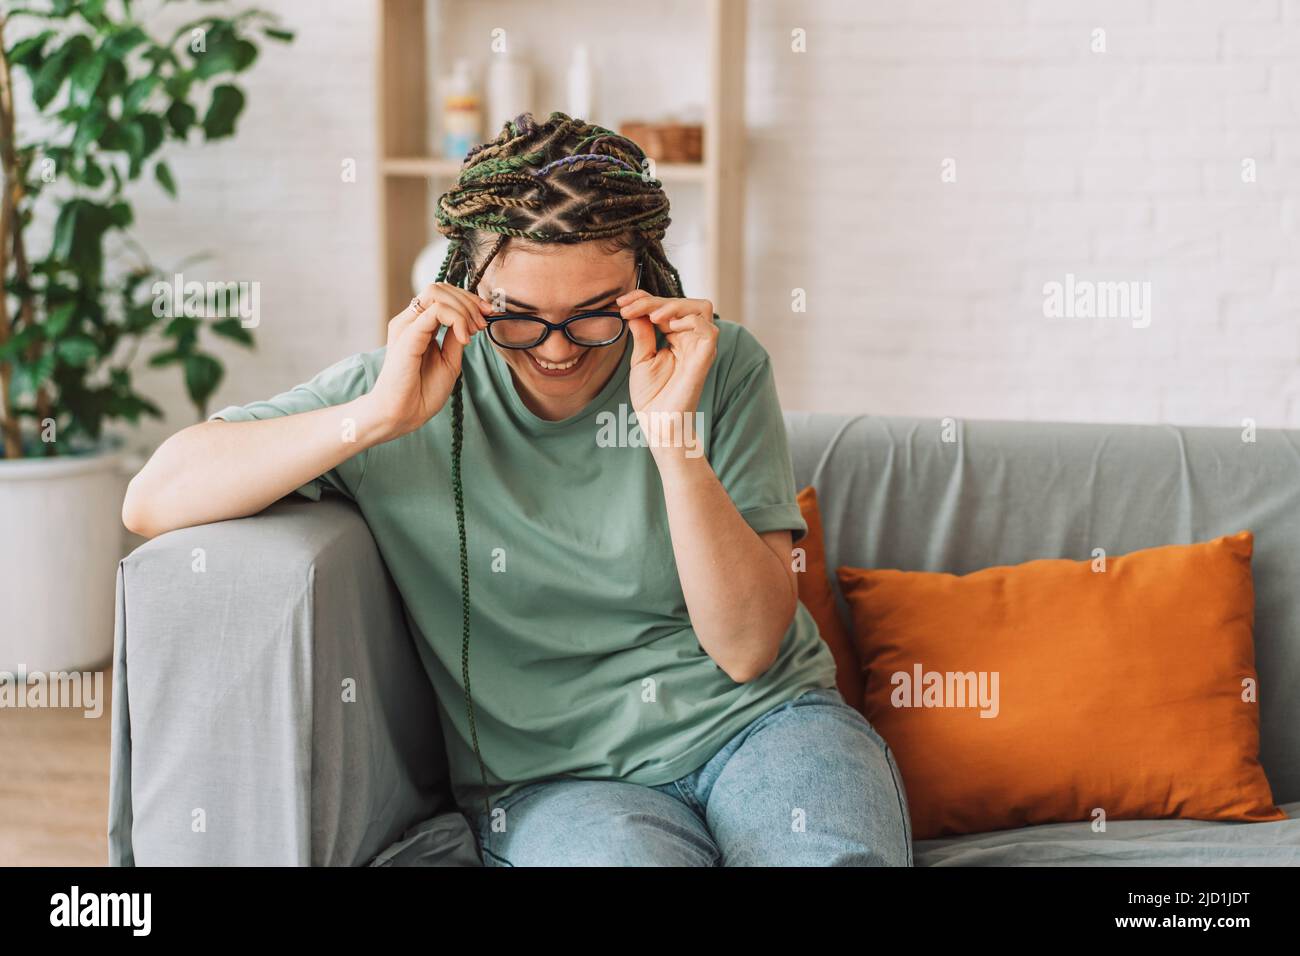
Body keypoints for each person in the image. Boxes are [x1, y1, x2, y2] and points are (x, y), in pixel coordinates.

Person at [122, 111, 913, 866]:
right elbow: (153, 497)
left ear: (647, 278)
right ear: (468, 285)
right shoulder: (404, 389)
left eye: (595, 316)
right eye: (519, 317)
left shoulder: (719, 365)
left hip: (762, 728)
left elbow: (745, 651)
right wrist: (374, 417)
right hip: (558, 783)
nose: (557, 351)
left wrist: (673, 440)